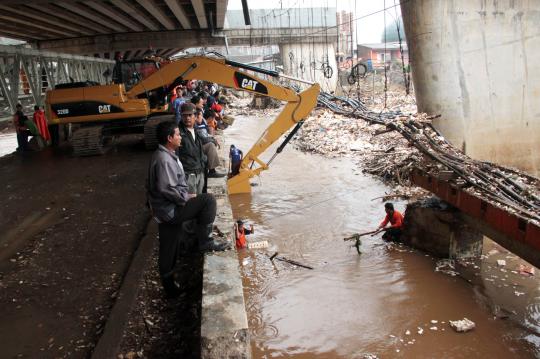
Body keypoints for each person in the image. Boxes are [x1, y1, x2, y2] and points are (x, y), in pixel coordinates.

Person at [146, 121, 229, 296]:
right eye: (177, 134)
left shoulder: (164, 154)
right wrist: (186, 197)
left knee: (169, 247)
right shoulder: (164, 160)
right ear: (169, 138)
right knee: (208, 201)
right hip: (170, 210)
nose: (180, 137)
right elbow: (166, 188)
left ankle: (171, 287)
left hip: (164, 210)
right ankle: (205, 242)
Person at [177, 102, 207, 194]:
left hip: (200, 171)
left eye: (190, 115)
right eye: (184, 115)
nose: (187, 118)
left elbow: (202, 144)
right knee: (191, 202)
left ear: (195, 116)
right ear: (181, 117)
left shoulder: (196, 129)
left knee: (199, 199)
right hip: (188, 174)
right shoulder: (178, 133)